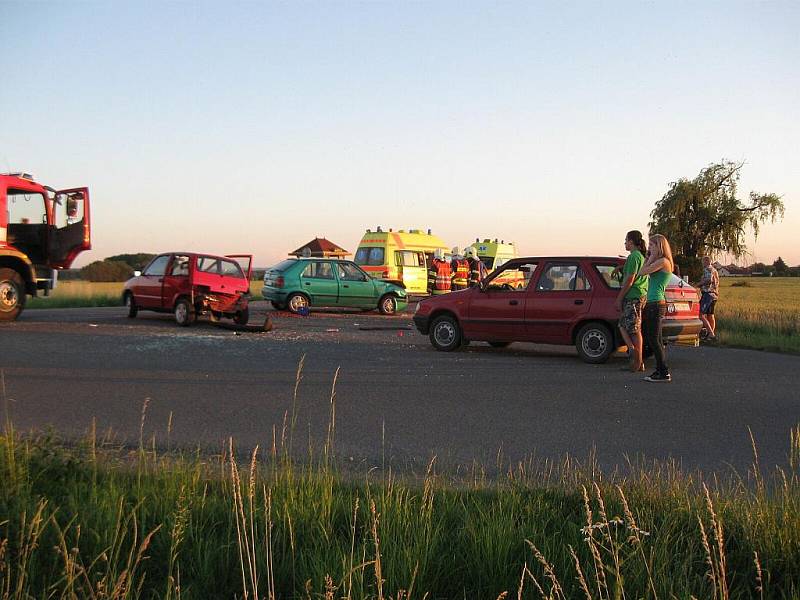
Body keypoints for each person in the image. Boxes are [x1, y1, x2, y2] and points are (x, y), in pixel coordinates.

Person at [638, 234, 675, 382]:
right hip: (653, 303)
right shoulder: (659, 261)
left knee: (653, 339)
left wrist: (650, 257)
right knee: (657, 339)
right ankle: (660, 370)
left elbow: (642, 272)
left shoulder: (663, 261)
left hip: (656, 304)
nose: (649, 248)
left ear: (659, 246)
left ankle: (663, 371)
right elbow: (643, 269)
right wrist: (649, 256)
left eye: (652, 245)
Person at [613, 230, 648, 372]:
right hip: (638, 295)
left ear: (631, 242)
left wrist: (619, 298)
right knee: (624, 325)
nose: (625, 243)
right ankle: (634, 353)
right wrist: (621, 267)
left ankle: (637, 360)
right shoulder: (637, 257)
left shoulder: (634, 256)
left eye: (626, 240)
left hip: (634, 296)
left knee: (633, 329)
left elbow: (630, 279)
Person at [697, 256, 719, 341]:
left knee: (700, 314)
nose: (702, 264)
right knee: (710, 315)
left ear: (706, 261)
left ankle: (711, 334)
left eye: (702, 262)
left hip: (707, 294)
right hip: (714, 295)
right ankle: (710, 335)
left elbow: (708, 280)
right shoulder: (715, 270)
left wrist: (699, 284)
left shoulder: (707, 269)